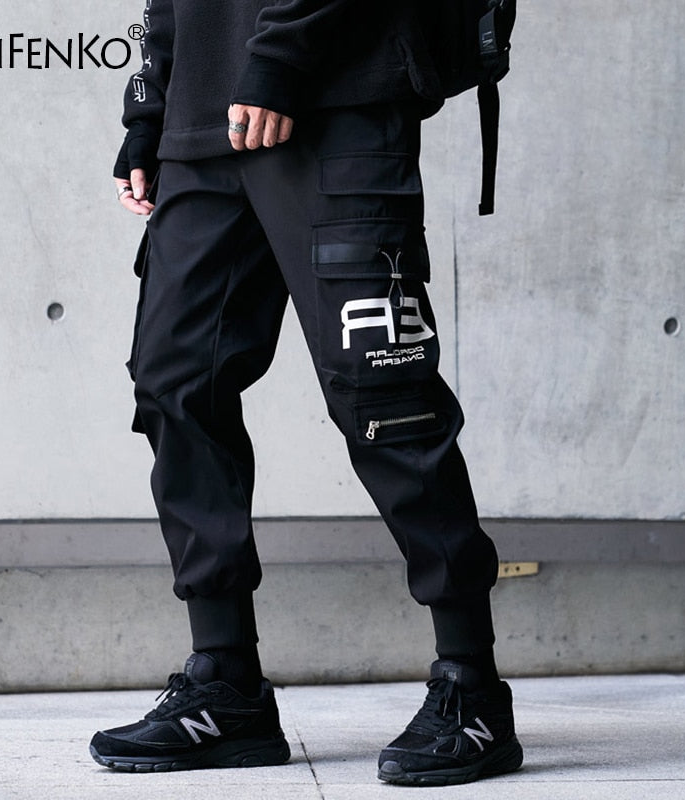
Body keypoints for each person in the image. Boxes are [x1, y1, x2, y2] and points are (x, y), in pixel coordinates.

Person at [89, 0, 523, 786]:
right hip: (203, 121)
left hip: (337, 95)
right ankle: (226, 684)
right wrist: (150, 107)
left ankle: (472, 683)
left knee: (384, 395)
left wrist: (279, 61)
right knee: (175, 385)